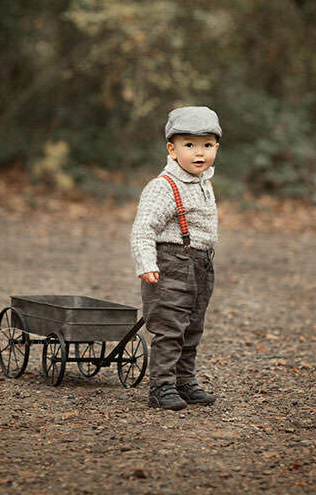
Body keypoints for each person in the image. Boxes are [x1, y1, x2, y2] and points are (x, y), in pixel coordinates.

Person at [129, 106, 221, 410]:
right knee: (170, 326)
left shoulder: (204, 182)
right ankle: (162, 386)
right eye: (190, 145)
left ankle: (184, 381)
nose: (200, 153)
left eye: (207, 145)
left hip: (201, 265)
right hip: (170, 263)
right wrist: (146, 264)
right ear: (172, 149)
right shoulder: (163, 187)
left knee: (193, 325)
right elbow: (144, 229)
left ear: (216, 147)